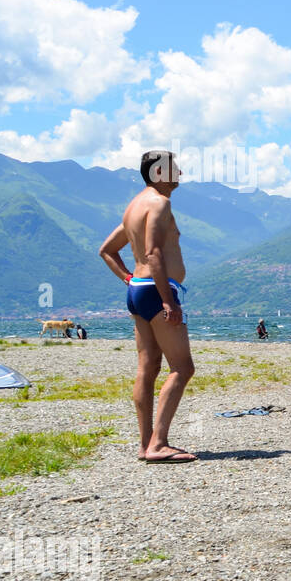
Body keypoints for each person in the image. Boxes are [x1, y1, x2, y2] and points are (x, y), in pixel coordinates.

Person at [98, 150, 197, 463]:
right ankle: (158, 444)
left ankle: (146, 445)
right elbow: (154, 254)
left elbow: (106, 250)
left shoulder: (133, 207)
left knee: (148, 367)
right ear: (158, 173)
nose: (179, 173)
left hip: (139, 291)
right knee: (182, 367)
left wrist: (129, 279)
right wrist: (168, 300)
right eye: (173, 168)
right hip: (156, 291)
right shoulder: (159, 203)